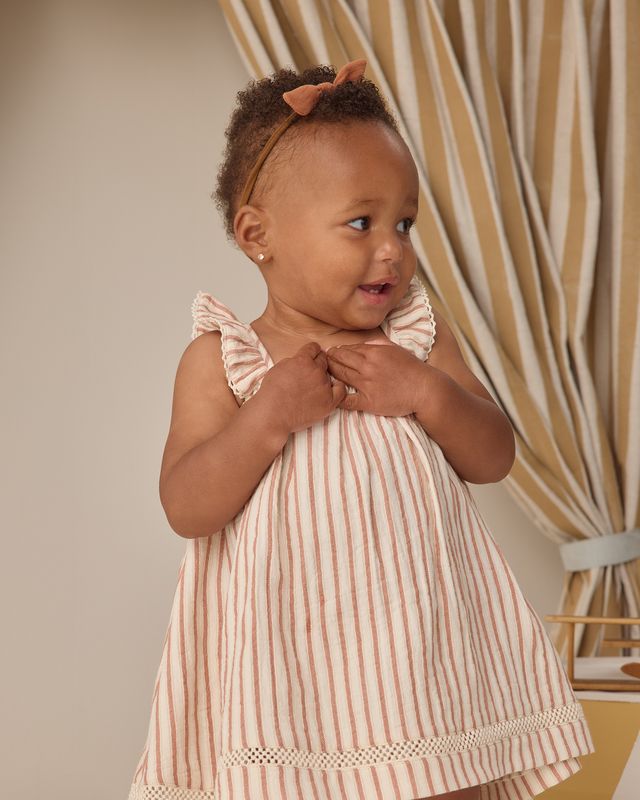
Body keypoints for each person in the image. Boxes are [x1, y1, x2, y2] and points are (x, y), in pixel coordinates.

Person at [126, 59, 594, 800]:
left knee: (444, 780)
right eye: (361, 222)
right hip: (290, 673)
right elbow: (187, 504)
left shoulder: (415, 337)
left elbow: (494, 455)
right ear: (258, 234)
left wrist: (429, 394)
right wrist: (269, 417)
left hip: (422, 660)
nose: (393, 249)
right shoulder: (225, 360)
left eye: (404, 223)